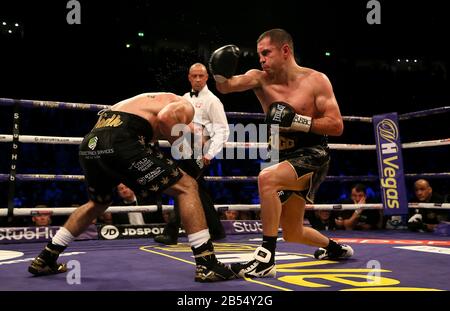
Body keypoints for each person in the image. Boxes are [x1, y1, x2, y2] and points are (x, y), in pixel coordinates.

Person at [27, 92, 235, 282]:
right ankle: (206, 263)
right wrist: (188, 153)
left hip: (91, 142)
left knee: (98, 203)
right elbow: (166, 119)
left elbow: (140, 126)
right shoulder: (185, 106)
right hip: (122, 139)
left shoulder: (140, 102)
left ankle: (46, 257)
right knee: (187, 186)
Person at [209, 28, 353, 278]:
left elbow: (337, 125)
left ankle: (265, 258)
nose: (261, 59)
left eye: (266, 53)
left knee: (267, 178)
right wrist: (218, 72)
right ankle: (336, 250)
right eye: (259, 55)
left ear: (285, 51)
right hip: (283, 158)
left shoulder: (316, 80)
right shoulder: (260, 78)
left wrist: (297, 121)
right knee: (292, 232)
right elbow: (227, 87)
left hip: (313, 154)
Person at [154, 63, 229, 245]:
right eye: (194, 76)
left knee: (182, 184)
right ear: (189, 77)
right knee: (194, 187)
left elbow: (222, 130)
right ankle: (216, 230)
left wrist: (210, 153)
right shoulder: (184, 98)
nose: (197, 79)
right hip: (183, 146)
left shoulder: (212, 100)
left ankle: (171, 232)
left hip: (200, 149)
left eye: (200, 76)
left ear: (206, 78)